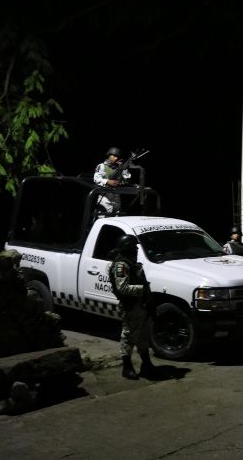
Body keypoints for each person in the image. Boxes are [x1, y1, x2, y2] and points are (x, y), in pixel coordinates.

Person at [109, 234, 157, 380]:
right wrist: (142, 289)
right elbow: (122, 287)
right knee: (128, 336)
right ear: (127, 248)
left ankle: (146, 364)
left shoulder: (131, 263)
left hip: (141, 305)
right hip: (131, 306)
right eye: (134, 247)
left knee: (143, 335)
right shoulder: (121, 265)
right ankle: (127, 367)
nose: (136, 250)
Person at [94, 146, 131, 214]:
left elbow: (127, 179)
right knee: (103, 217)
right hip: (105, 197)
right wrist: (107, 181)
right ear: (109, 155)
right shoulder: (101, 166)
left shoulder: (119, 167)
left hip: (116, 196)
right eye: (114, 156)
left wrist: (124, 168)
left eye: (117, 156)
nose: (116, 158)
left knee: (116, 217)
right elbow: (97, 179)